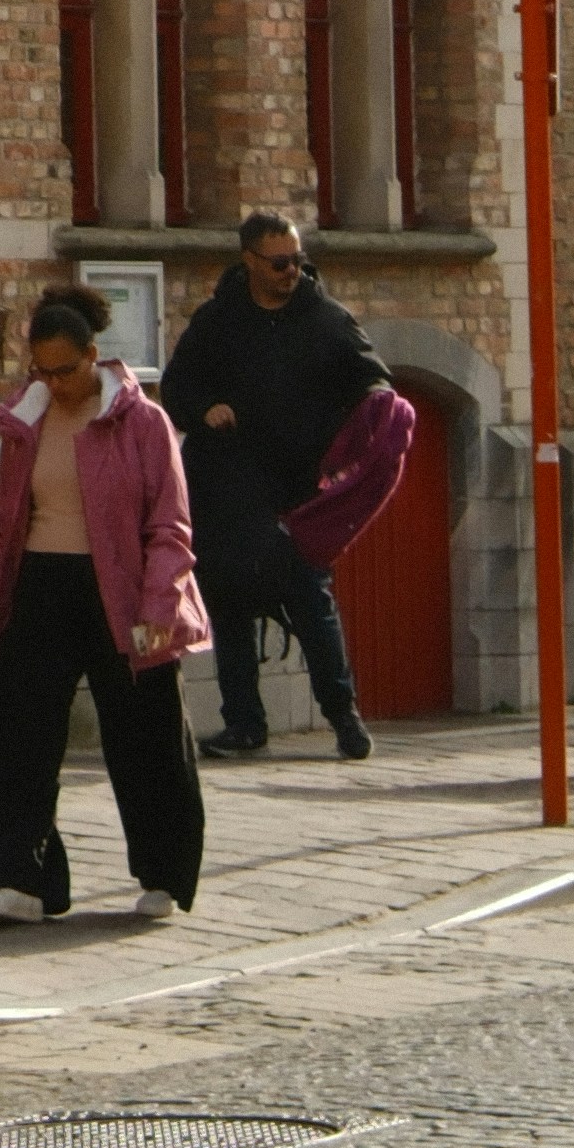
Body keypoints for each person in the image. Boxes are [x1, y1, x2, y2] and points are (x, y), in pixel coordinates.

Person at [0, 283, 202, 928]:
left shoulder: (142, 421)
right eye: (42, 368)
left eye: (65, 369)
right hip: (40, 583)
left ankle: (164, 874)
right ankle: (19, 878)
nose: (54, 381)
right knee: (18, 731)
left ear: (93, 355)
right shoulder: (26, 417)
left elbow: (170, 525)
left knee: (145, 735)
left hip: (123, 591)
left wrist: (157, 606)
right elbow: (11, 520)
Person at [160, 210, 388, 761]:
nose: (291, 272)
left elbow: (375, 382)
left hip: (296, 492)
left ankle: (345, 719)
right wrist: (203, 408)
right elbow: (176, 385)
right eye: (280, 262)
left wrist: (364, 431)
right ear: (250, 260)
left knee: (312, 603)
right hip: (226, 488)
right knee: (229, 608)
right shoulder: (217, 321)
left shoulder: (328, 320)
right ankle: (243, 725)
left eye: (297, 261)